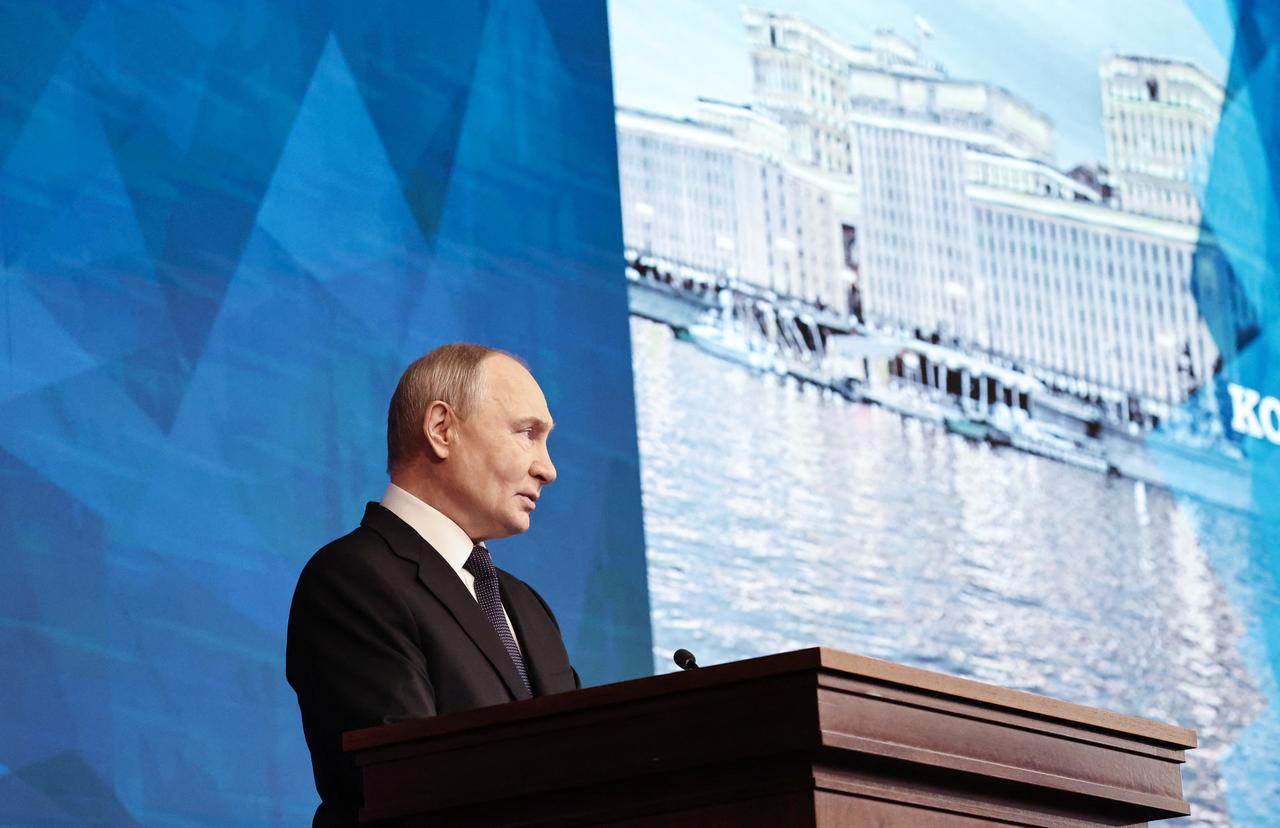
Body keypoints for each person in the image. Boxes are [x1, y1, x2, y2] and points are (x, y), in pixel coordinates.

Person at [286, 344, 579, 828]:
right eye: (528, 434)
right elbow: (409, 784)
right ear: (442, 430)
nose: (547, 469)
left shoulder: (528, 607)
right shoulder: (352, 579)